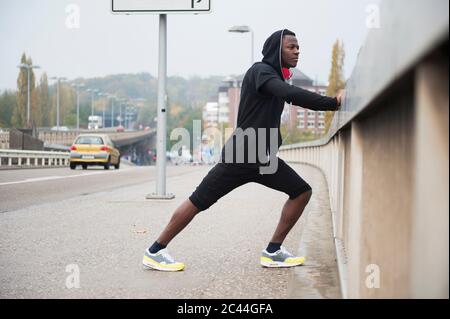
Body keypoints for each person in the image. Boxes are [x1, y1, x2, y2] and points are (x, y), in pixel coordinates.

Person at [142, 29, 344, 272]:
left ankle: (273, 251)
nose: (297, 51)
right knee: (199, 201)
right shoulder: (261, 72)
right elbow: (291, 95)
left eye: (298, 47)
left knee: (301, 191)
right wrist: (333, 103)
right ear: (276, 50)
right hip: (241, 155)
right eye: (291, 47)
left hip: (263, 159)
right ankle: (155, 251)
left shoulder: (276, 78)